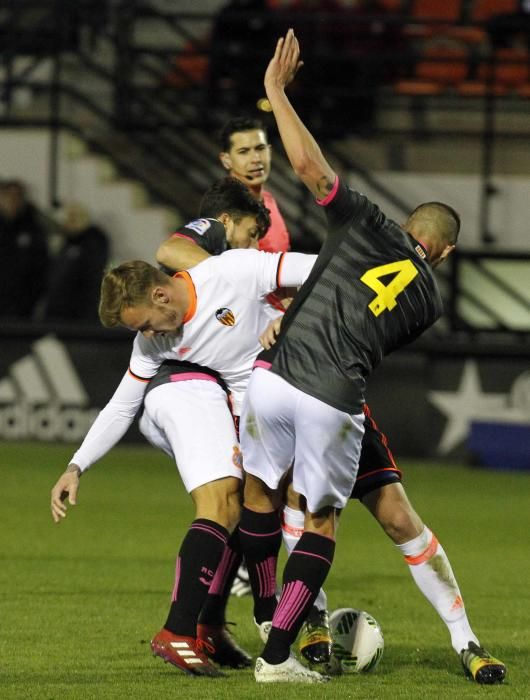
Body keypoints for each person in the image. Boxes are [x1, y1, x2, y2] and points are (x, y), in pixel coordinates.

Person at [236, 29, 505, 685]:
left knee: (272, 503)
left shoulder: (361, 221)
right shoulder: (430, 302)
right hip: (334, 398)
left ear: (409, 229)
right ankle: (462, 641)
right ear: (439, 252)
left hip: (273, 380)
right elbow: (364, 324)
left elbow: (307, 168)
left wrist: (275, 90)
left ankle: (285, 614)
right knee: (384, 520)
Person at [50, 178, 316, 678]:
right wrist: (76, 465)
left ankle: (212, 626)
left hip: (247, 404)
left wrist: (291, 314)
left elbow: (320, 270)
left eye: (145, 323)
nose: (147, 336)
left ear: (160, 293)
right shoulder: (153, 342)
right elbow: (123, 403)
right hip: (188, 400)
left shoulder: (233, 272)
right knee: (221, 501)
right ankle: (180, 629)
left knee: (248, 508)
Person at [218, 115, 290, 253]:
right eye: (244, 152)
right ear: (226, 160)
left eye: (260, 148)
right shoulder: (222, 206)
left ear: (269, 151)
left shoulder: (268, 199)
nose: (256, 158)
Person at [42, 202, 109, 323]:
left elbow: (91, 280)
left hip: (79, 315)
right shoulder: (66, 244)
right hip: (60, 314)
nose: (68, 222)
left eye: (73, 218)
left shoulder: (93, 243)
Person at [0, 179, 49, 319]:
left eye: (17, 196)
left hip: (23, 310)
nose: (12, 200)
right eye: (8, 195)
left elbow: (41, 269)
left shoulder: (34, 229)